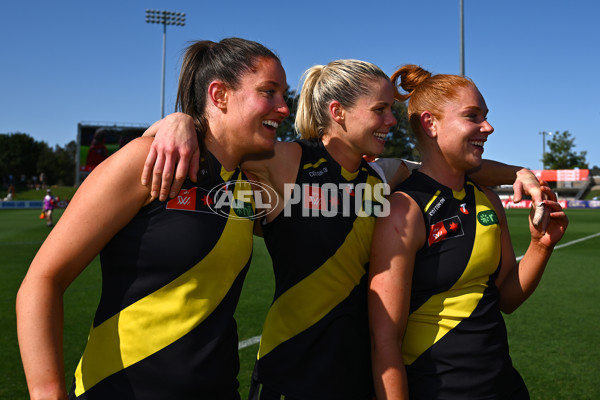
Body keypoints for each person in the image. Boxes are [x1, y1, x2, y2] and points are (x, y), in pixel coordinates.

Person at [142, 59, 545, 400]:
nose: (391, 120)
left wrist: (519, 173)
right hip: (293, 368)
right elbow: (218, 143)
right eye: (380, 110)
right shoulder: (286, 162)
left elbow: (450, 163)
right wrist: (179, 121)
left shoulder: (383, 176)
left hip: (360, 372)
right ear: (338, 112)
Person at [16, 37, 289, 400]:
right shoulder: (146, 160)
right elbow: (43, 280)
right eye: (269, 92)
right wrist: (46, 392)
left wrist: (389, 170)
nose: (284, 108)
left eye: (284, 94)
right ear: (219, 95)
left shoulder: (248, 185)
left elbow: (337, 183)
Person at [368, 65, 569, 400]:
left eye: (485, 116)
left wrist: (540, 246)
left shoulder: (487, 199)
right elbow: (384, 340)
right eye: (472, 116)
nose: (488, 127)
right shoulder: (404, 209)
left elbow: (506, 298)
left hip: (504, 386)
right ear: (431, 124)